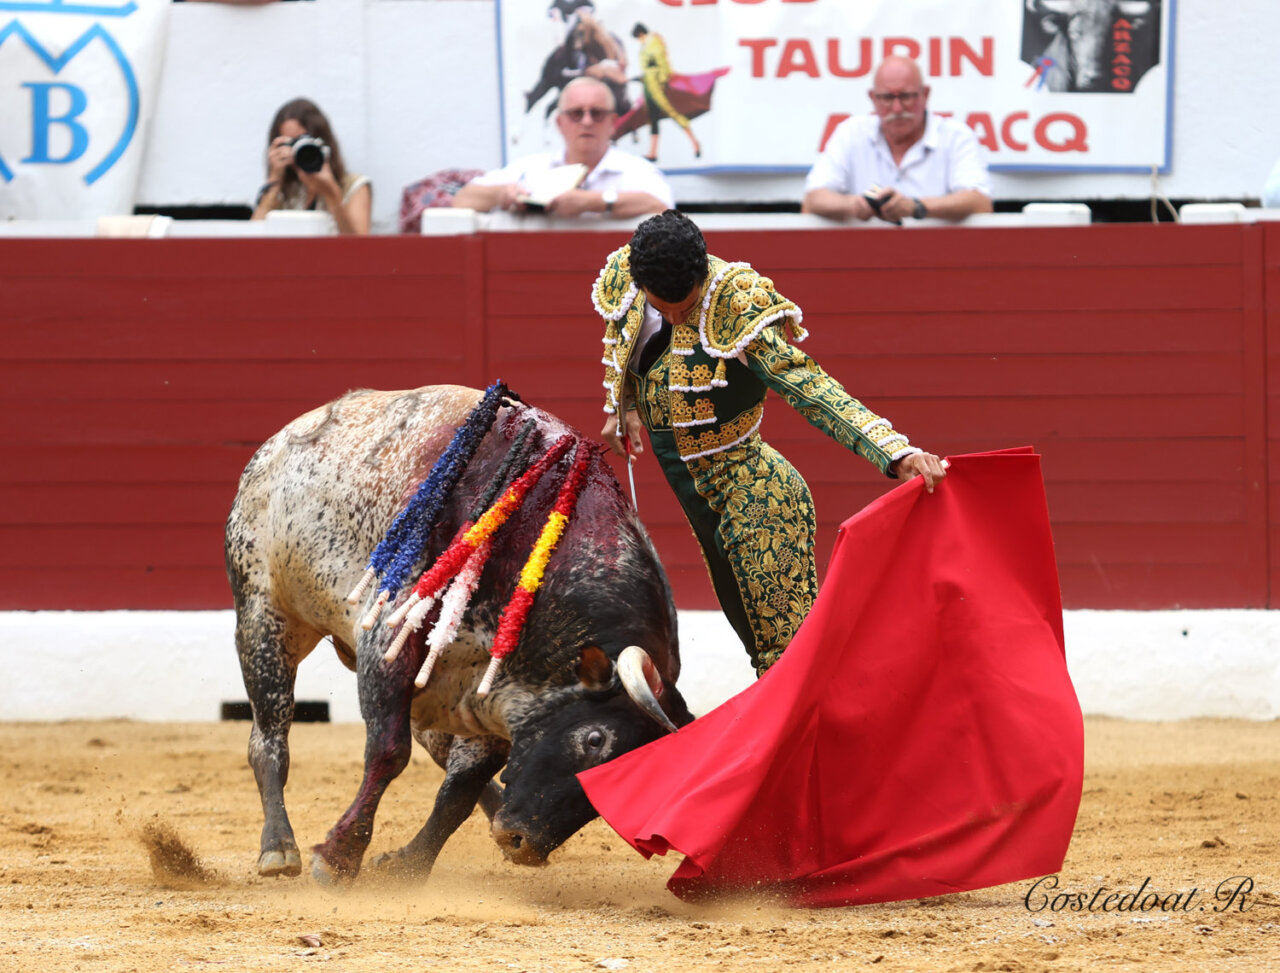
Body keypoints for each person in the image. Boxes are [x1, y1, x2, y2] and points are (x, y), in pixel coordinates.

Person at [593, 210, 946, 675]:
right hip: (700, 497)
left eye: (686, 307)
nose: (677, 318)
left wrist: (894, 452)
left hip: (759, 497)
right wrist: (623, 406)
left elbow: (808, 385)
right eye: (665, 309)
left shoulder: (737, 303)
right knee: (760, 648)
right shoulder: (627, 278)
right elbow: (622, 341)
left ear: (702, 274)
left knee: (789, 658)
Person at [801, 56, 992, 224]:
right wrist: (855, 205)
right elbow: (813, 200)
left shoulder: (955, 136)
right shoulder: (851, 133)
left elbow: (980, 202)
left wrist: (916, 207)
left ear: (925, 95)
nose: (897, 108)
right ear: (873, 98)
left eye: (906, 97)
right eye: (887, 98)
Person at [454, 77, 672, 218]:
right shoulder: (532, 168)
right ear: (560, 123)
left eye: (596, 113)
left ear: (613, 122)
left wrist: (592, 202)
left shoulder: (635, 170)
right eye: (576, 113)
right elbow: (462, 200)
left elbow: (664, 208)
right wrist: (503, 194)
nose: (587, 121)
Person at [250, 98, 372, 236]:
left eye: (303, 141)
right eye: (292, 143)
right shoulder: (283, 191)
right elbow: (252, 239)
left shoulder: (354, 185)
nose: (300, 149)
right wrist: (274, 183)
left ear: (322, 142)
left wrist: (332, 194)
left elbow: (359, 244)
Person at [631, 23, 701, 162]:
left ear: (640, 34)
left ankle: (695, 143)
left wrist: (663, 81)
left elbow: (662, 63)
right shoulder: (645, 45)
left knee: (672, 112)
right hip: (649, 86)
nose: (638, 40)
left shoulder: (654, 42)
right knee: (653, 118)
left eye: (638, 37)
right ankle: (653, 152)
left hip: (657, 85)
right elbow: (647, 67)